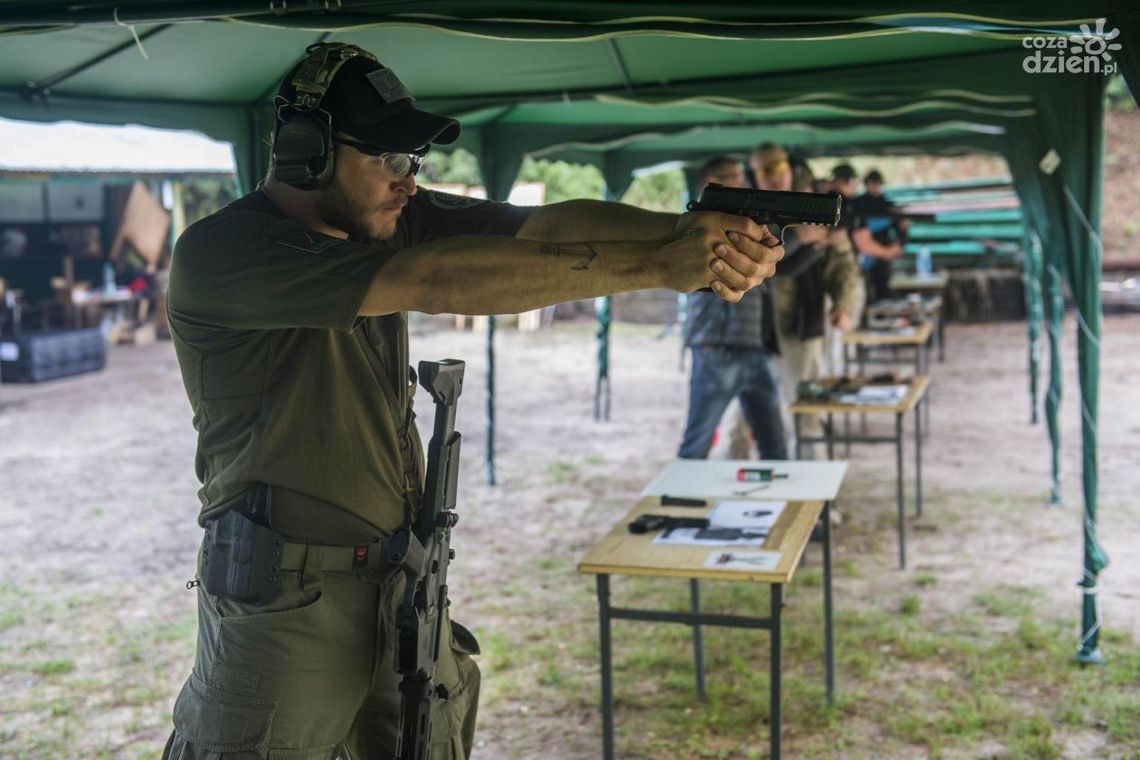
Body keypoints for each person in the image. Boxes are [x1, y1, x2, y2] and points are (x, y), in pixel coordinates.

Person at [162, 43, 782, 759]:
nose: (408, 182)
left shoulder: (387, 212)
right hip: (283, 607)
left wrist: (691, 235)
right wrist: (655, 266)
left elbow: (541, 227)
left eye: (413, 162)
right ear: (307, 152)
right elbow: (430, 279)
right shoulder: (224, 251)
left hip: (397, 585)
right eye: (390, 161)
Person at [751, 145, 863, 457]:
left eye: (778, 168)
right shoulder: (747, 206)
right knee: (744, 421)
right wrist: (800, 240)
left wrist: (844, 305)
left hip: (798, 322)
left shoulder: (815, 205)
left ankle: (814, 501)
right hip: (750, 327)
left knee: (807, 413)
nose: (774, 177)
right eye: (765, 170)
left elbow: (843, 264)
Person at [677, 155, 787, 461]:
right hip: (717, 345)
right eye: (733, 176)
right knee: (697, 444)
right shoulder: (701, 223)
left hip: (753, 346)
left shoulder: (747, 223)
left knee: (774, 446)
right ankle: (680, 507)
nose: (742, 182)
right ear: (710, 183)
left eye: (742, 176)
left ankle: (777, 507)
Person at [829, 164, 904, 306]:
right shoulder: (849, 204)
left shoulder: (883, 204)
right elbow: (861, 239)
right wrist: (886, 252)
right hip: (845, 264)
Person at [852, 168, 910, 303]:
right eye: (872, 183)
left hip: (882, 251)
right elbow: (858, 231)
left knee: (882, 289)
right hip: (863, 251)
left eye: (878, 183)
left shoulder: (887, 205)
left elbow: (902, 230)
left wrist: (899, 242)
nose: (875, 187)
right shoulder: (858, 204)